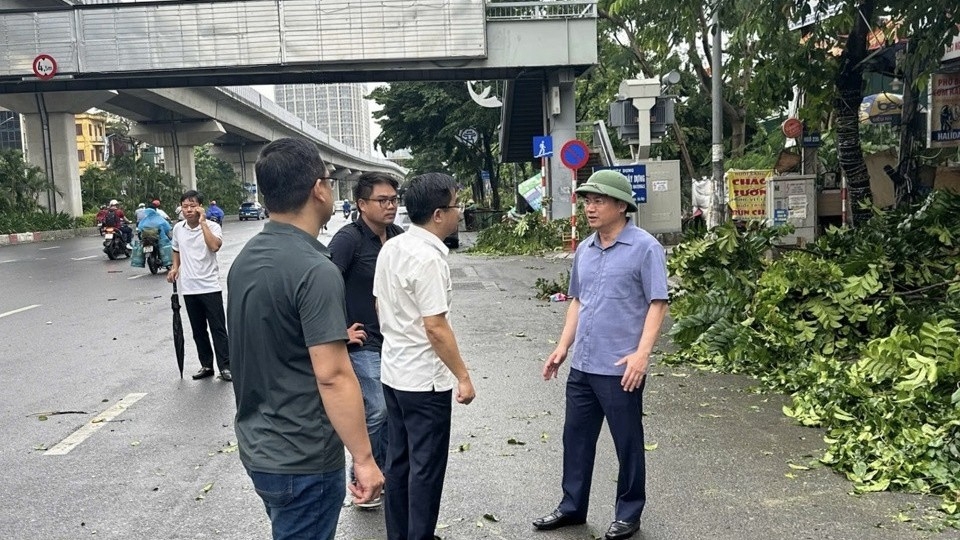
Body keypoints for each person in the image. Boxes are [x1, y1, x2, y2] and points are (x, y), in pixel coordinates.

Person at [227, 137, 384, 539]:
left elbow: (278, 337)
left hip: (259, 446)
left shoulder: (246, 260)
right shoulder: (315, 268)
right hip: (304, 456)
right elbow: (332, 376)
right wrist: (364, 459)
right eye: (330, 180)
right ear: (318, 188)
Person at [533, 170, 669, 540]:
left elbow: (658, 304)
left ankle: (629, 512)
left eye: (599, 200)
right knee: (575, 439)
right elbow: (578, 300)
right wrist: (563, 347)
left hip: (621, 366)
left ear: (622, 206)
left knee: (628, 443)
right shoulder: (585, 250)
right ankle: (572, 507)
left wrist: (642, 355)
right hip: (584, 365)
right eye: (587, 201)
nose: (590, 208)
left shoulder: (645, 248)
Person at [373, 172, 476, 540]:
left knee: (398, 463)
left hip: (394, 373)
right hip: (424, 382)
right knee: (426, 469)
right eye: (455, 205)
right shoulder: (429, 259)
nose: (459, 212)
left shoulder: (392, 247)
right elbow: (435, 326)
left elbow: (379, 304)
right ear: (437, 214)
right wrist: (462, 376)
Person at [328, 171, 404, 510]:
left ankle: (382, 476)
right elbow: (324, 284)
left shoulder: (399, 237)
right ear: (361, 204)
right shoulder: (349, 240)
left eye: (393, 200)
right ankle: (362, 479)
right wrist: (339, 329)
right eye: (382, 200)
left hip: (396, 342)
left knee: (392, 412)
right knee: (376, 410)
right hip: (363, 343)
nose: (390, 206)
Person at [166, 190, 231, 382]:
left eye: (193, 206)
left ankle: (226, 366)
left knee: (218, 329)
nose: (188, 210)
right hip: (189, 287)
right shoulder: (178, 229)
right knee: (198, 329)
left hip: (210, 286)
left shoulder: (212, 226)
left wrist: (203, 222)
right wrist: (175, 267)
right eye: (185, 206)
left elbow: (214, 246)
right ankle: (207, 365)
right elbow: (176, 249)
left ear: (200, 207)